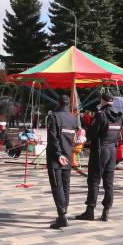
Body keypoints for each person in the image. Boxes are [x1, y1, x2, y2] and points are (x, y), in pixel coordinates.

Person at [76, 93, 122, 222]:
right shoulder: (119, 115)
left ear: (103, 100)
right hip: (112, 149)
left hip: (100, 150)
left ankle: (90, 210)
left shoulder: (101, 114)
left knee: (94, 180)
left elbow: (92, 133)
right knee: (109, 183)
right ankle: (106, 211)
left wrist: (88, 131)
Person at [46, 95, 77, 229]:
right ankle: (63, 213)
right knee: (65, 186)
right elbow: (72, 138)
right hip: (68, 156)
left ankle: (62, 215)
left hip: (56, 157)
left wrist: (58, 154)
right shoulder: (73, 118)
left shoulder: (53, 116)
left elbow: (52, 138)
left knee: (57, 186)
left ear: (58, 103)